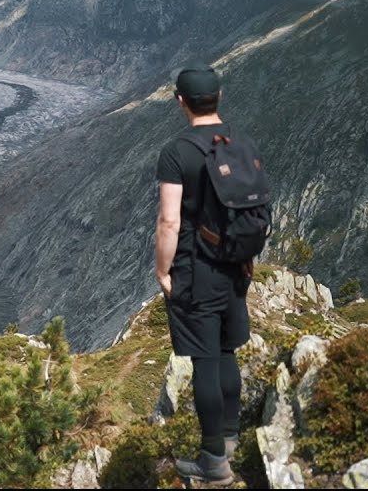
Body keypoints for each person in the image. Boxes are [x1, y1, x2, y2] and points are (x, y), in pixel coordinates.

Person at [154, 64, 254, 485]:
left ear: (181, 101)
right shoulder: (239, 141)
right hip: (235, 265)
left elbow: (169, 222)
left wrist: (163, 271)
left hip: (196, 270)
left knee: (205, 361)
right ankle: (229, 437)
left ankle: (213, 459)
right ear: (220, 96)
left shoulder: (177, 153)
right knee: (228, 351)